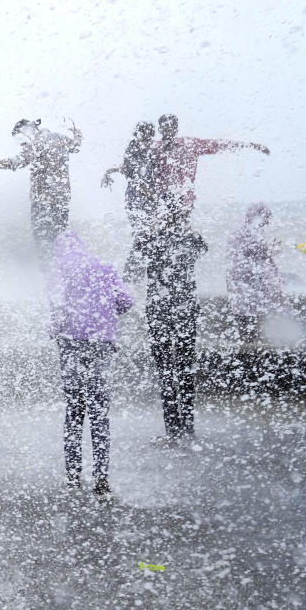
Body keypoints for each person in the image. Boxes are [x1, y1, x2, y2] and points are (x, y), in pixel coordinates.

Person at [48, 231, 132, 496]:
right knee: (99, 411)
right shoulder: (104, 268)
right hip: (101, 345)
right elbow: (125, 302)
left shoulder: (59, 273)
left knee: (74, 410)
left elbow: (56, 314)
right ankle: (101, 477)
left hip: (71, 345)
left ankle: (73, 476)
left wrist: (58, 328)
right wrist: (104, 315)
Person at [139, 202, 209, 442]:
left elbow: (134, 262)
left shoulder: (150, 239)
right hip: (185, 311)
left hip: (159, 312)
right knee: (185, 369)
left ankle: (172, 429)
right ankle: (188, 427)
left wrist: (152, 228)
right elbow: (204, 248)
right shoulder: (189, 238)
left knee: (165, 373)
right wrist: (185, 228)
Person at [0, 118, 82, 250]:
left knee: (43, 241)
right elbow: (75, 146)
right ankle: (68, 261)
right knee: (60, 233)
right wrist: (77, 135)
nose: (21, 143)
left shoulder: (37, 144)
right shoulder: (58, 138)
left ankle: (52, 265)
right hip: (62, 197)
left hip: (43, 199)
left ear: (28, 131)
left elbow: (15, 162)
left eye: (19, 138)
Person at [150, 114, 269, 219]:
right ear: (160, 129)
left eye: (172, 126)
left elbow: (219, 145)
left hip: (183, 200)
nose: (169, 129)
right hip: (161, 200)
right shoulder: (154, 149)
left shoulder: (189, 145)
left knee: (180, 231)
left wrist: (250, 145)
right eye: (166, 126)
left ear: (176, 128)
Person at [101, 121, 157, 281]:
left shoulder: (149, 149)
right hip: (137, 200)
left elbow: (126, 168)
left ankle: (136, 275)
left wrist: (111, 170)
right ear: (139, 135)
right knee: (143, 236)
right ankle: (132, 276)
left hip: (147, 199)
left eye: (149, 136)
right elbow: (133, 175)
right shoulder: (134, 149)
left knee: (147, 236)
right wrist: (151, 194)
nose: (147, 139)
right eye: (145, 135)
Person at [227, 203, 284, 344]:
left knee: (248, 315)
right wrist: (272, 249)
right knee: (248, 316)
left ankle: (250, 344)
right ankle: (250, 347)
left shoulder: (249, 230)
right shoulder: (247, 231)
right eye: (266, 218)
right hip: (247, 282)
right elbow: (255, 251)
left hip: (244, 281)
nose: (267, 222)